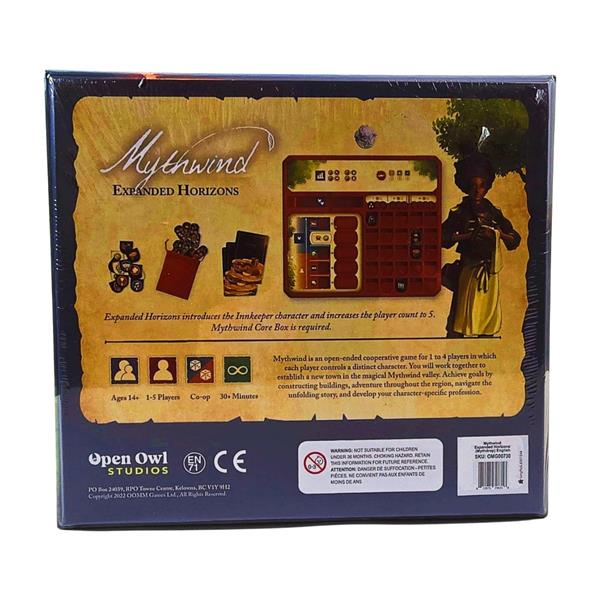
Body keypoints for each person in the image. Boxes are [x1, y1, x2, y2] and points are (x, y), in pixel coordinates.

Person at [442, 153, 521, 337]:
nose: (477, 191)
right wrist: (467, 236)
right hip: (468, 272)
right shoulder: (459, 212)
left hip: (490, 274)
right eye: (473, 186)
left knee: (487, 324)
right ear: (466, 186)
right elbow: (442, 238)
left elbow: (514, 239)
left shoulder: (494, 213)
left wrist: (498, 234)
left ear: (487, 187)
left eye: (482, 186)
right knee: (459, 325)